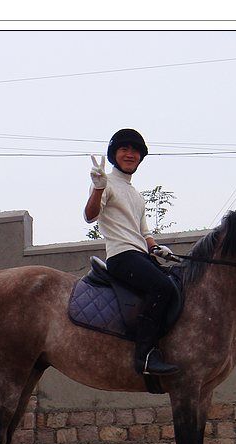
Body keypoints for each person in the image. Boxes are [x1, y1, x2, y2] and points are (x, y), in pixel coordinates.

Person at [84, 128, 179, 376]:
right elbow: (89, 216)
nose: (130, 154)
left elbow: (143, 232)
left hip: (140, 255)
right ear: (115, 154)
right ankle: (144, 356)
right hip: (121, 256)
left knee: (177, 281)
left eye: (135, 150)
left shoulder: (136, 195)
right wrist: (97, 188)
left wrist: (157, 249)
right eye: (124, 149)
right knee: (163, 288)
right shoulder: (107, 184)